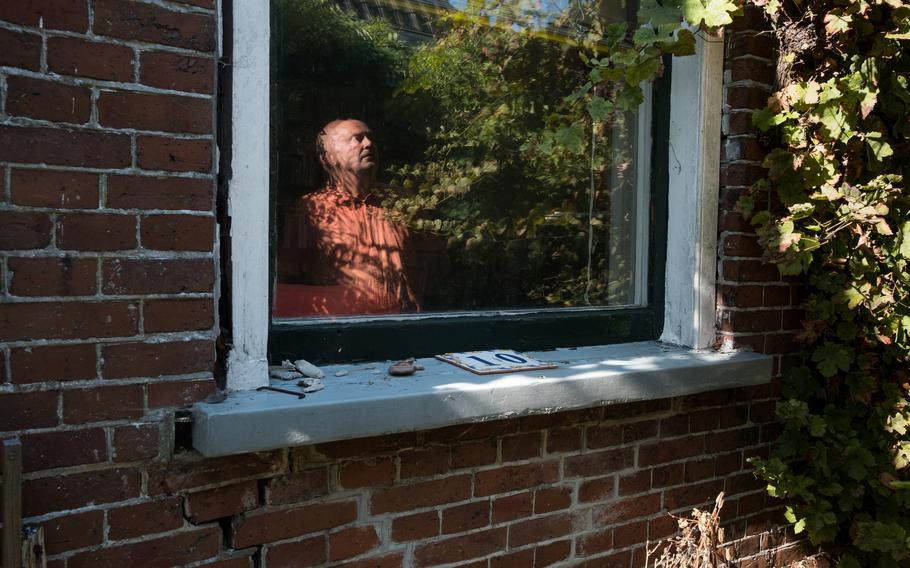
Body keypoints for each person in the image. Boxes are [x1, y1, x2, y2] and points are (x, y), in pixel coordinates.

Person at [274, 119, 438, 317]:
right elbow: (288, 279)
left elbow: (436, 266)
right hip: (346, 331)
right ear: (329, 159)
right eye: (357, 139)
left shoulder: (404, 202)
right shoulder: (309, 210)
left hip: (408, 327)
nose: (368, 143)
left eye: (370, 137)